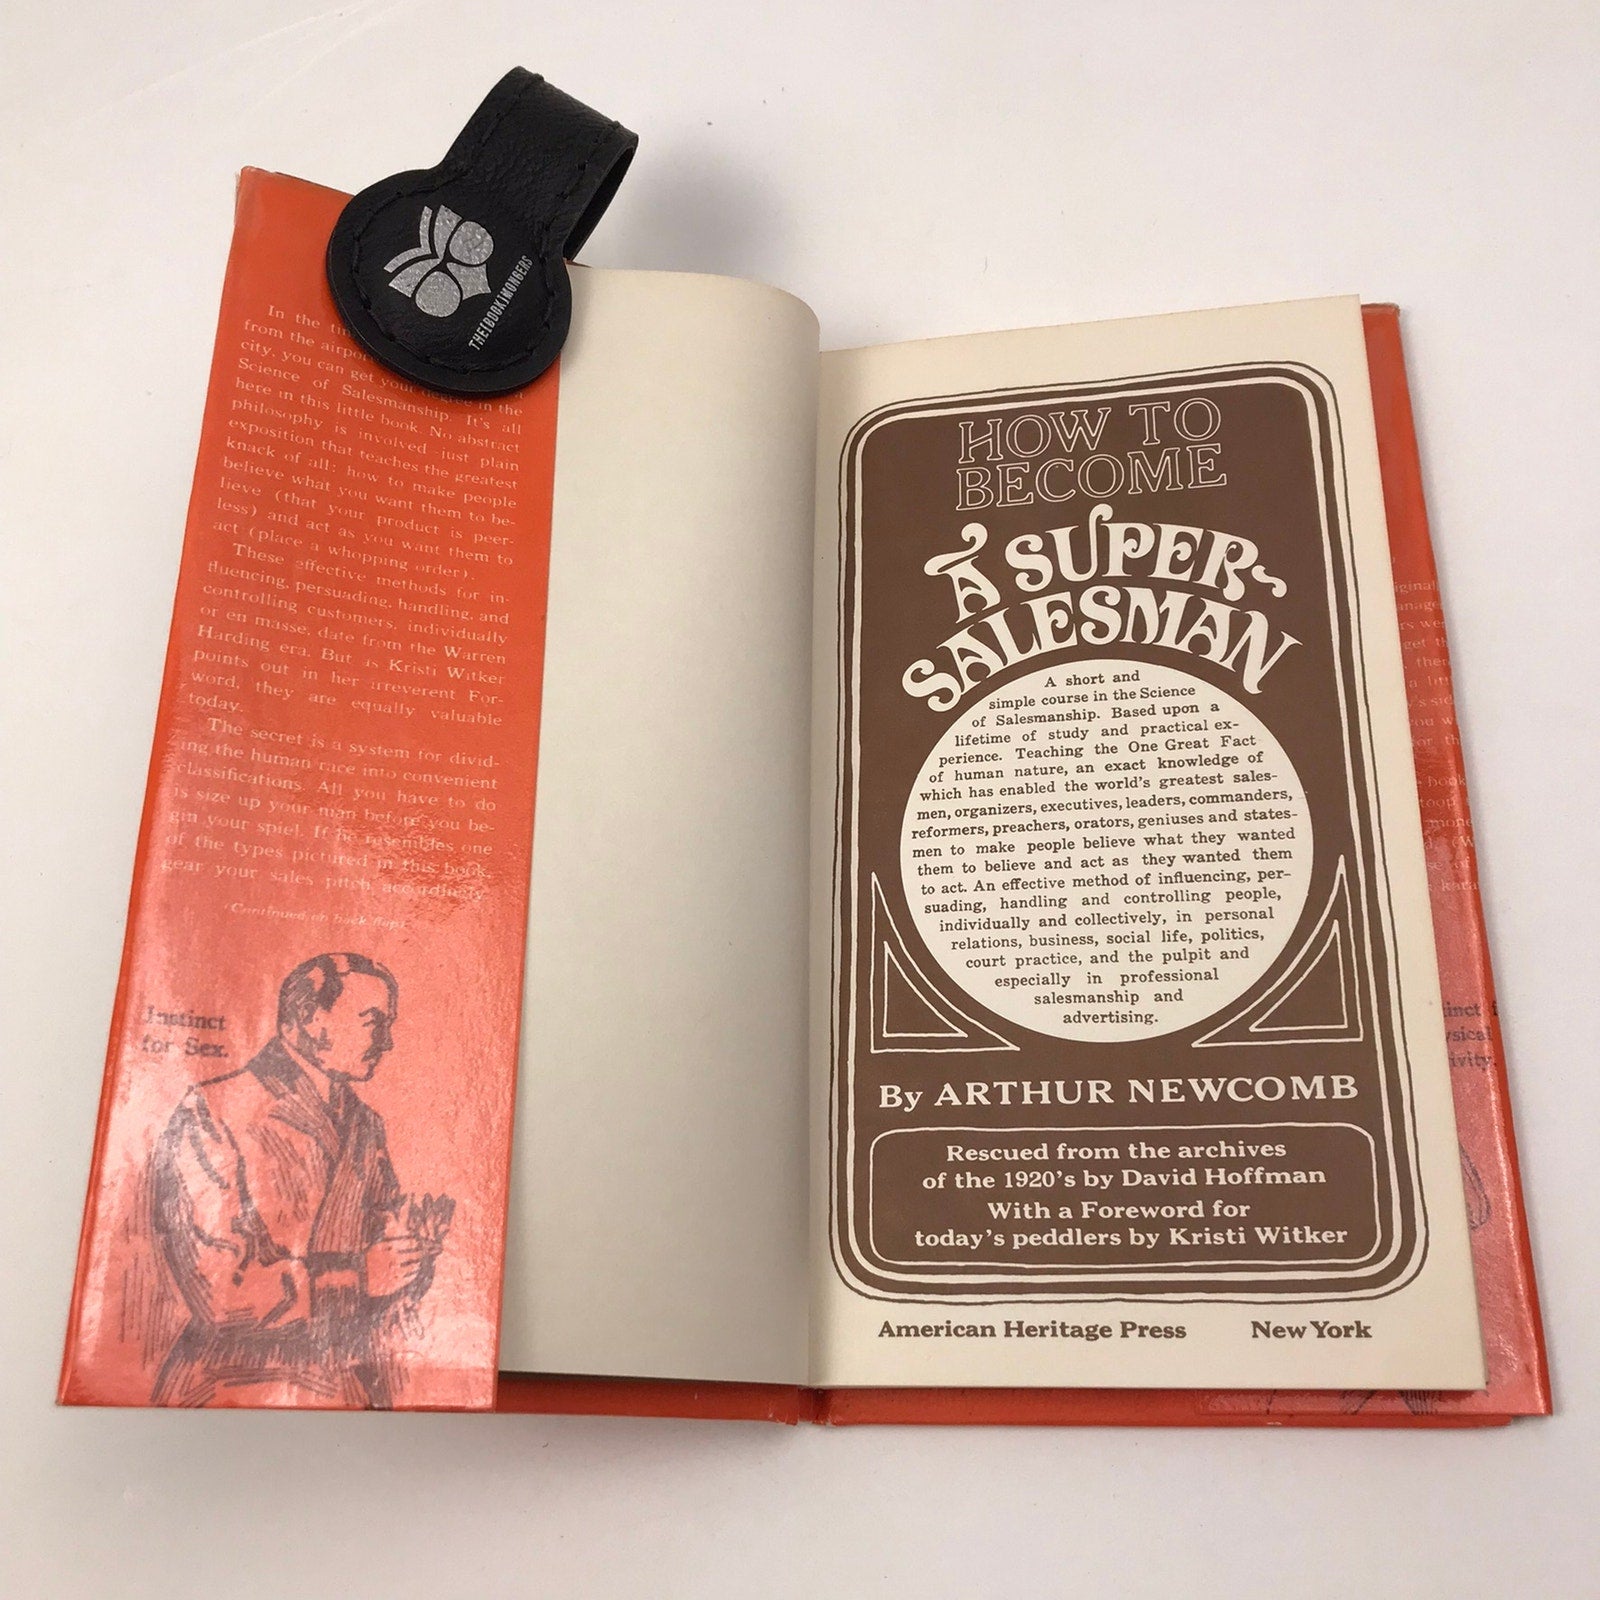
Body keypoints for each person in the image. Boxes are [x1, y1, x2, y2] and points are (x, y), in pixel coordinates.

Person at [149, 952, 444, 1407]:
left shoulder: (365, 1125)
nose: (386, 1042)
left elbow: (381, 1248)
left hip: (348, 1387)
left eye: (388, 1025)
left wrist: (413, 1253)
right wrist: (359, 1277)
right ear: (308, 1017)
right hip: (231, 1388)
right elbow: (219, 1294)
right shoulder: (211, 1110)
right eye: (372, 1022)